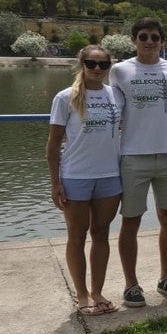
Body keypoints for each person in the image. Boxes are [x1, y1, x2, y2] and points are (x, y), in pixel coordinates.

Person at [110, 17, 167, 307]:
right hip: (133, 155)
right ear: (133, 40)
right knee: (131, 220)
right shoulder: (119, 71)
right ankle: (131, 284)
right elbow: (114, 107)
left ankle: (165, 278)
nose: (149, 41)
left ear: (162, 41)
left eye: (155, 37)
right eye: (143, 36)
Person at [46, 45, 125, 316]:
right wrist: (55, 183)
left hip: (109, 176)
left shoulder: (116, 95)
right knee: (77, 237)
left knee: (101, 234)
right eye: (91, 63)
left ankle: (98, 291)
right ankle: (82, 295)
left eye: (103, 65)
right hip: (75, 176)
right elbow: (54, 144)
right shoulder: (65, 97)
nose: (97, 69)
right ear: (82, 65)